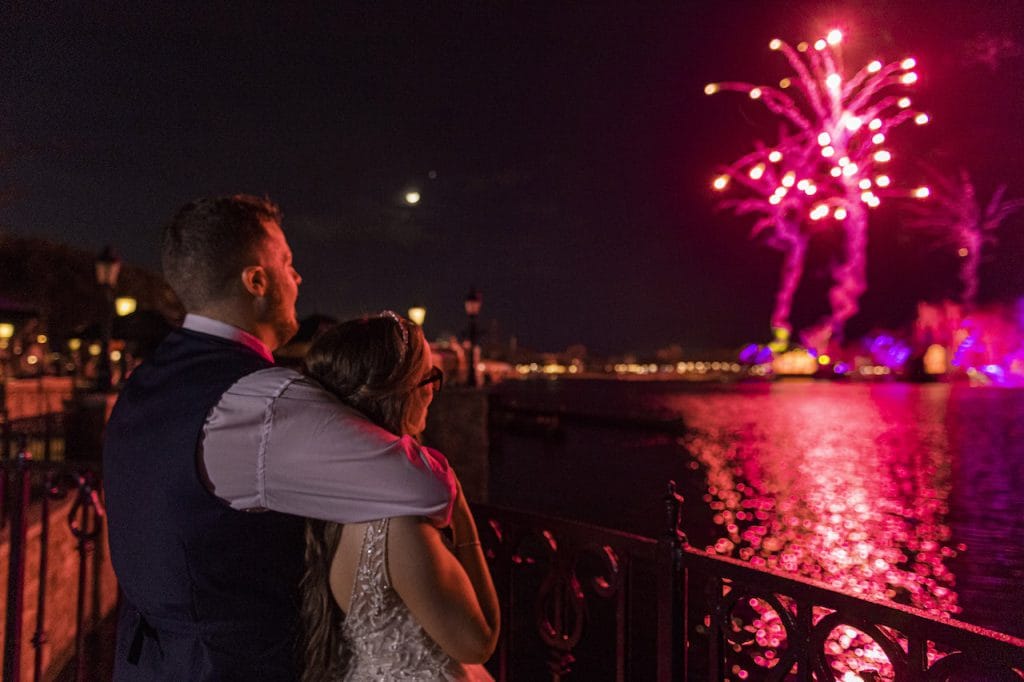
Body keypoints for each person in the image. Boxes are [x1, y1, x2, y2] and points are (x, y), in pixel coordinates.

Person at [103, 195, 456, 681]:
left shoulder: (149, 380)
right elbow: (425, 487)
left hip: (148, 663)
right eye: (287, 263)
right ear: (256, 281)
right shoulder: (262, 402)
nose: (298, 278)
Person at [299, 314, 499, 681]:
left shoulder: (339, 492)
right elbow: (478, 641)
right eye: (429, 377)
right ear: (394, 396)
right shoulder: (399, 523)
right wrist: (463, 515)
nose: (434, 390)